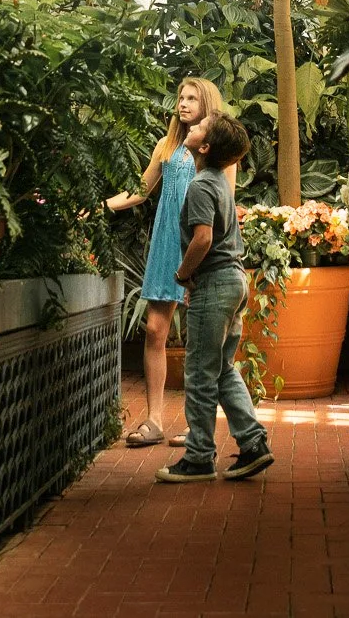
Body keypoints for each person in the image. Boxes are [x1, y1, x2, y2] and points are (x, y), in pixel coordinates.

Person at [104, 77, 235, 448]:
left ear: (207, 104)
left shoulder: (218, 152)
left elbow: (225, 204)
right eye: (181, 97)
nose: (183, 103)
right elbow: (140, 192)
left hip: (199, 247)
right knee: (154, 331)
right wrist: (102, 206)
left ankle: (198, 424)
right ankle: (155, 420)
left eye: (192, 97)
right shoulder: (167, 145)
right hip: (166, 246)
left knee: (201, 341)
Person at [155, 112, 272, 483]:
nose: (191, 127)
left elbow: (203, 239)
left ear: (204, 147)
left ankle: (200, 457)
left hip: (215, 283)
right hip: (234, 281)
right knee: (221, 367)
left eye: (199, 128)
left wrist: (182, 274)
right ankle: (253, 445)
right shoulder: (219, 182)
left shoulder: (202, 185)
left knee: (200, 373)